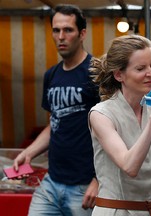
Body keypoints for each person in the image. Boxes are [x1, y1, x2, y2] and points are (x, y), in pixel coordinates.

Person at [13, 4, 100, 216]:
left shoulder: (96, 73)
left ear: (82, 34)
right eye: (56, 30)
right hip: (51, 183)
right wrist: (29, 152)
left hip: (84, 186)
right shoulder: (51, 75)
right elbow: (55, 122)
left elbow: (116, 128)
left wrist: (100, 180)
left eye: (68, 30)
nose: (61, 36)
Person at [88, 34, 151, 216]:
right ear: (119, 74)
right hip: (116, 211)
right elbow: (130, 167)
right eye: (140, 68)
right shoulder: (101, 114)